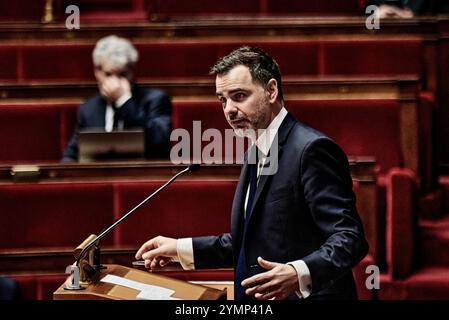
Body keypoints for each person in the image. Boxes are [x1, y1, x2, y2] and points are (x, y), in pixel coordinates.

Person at [135, 46, 369, 300]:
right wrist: (179, 249)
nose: (229, 109)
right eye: (222, 100)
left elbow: (349, 238)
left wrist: (297, 272)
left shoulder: (311, 150)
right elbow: (253, 241)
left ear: (271, 90)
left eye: (239, 96)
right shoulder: (255, 151)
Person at [62, 35, 172, 161]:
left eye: (122, 74)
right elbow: (71, 155)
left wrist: (124, 101)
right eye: (108, 74)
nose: (115, 83)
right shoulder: (88, 108)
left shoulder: (155, 100)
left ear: (132, 71)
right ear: (97, 72)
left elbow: (158, 142)